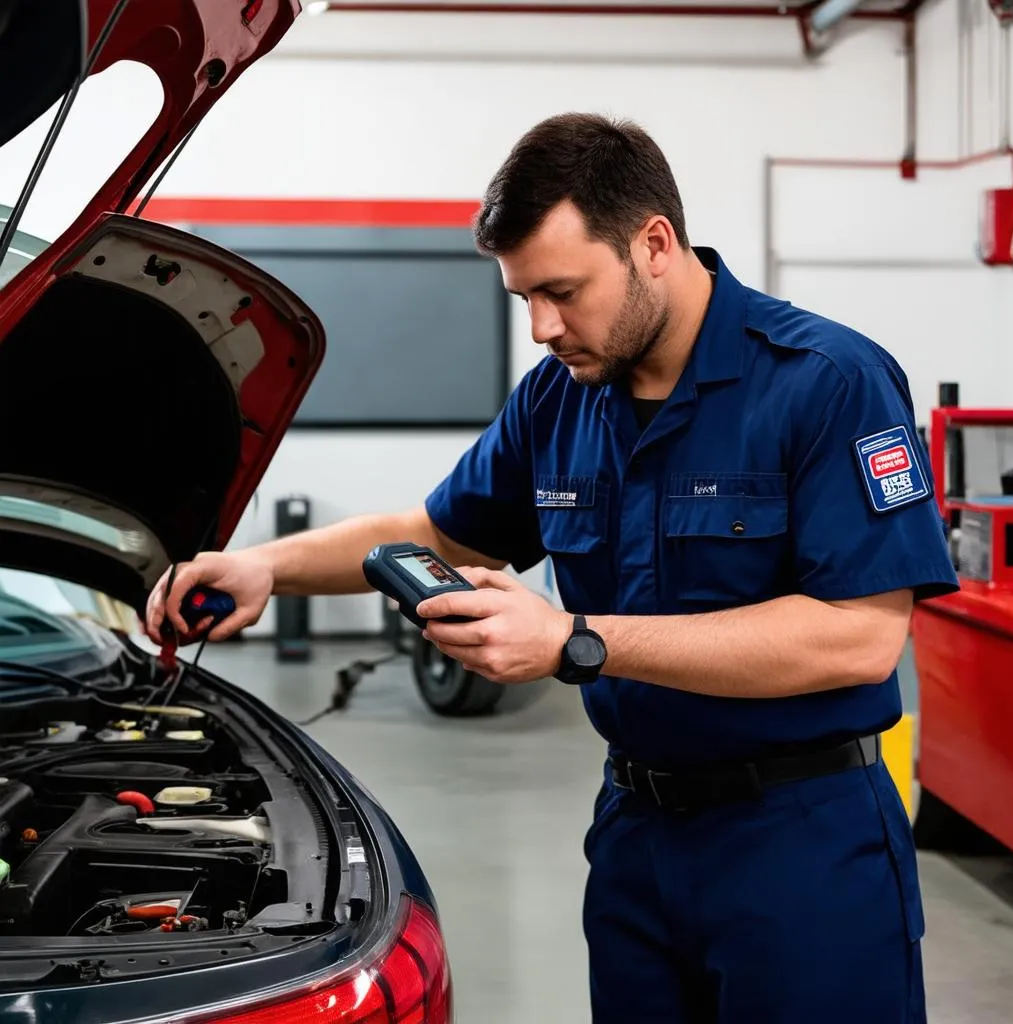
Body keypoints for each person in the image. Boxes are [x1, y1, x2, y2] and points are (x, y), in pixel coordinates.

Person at [146, 112, 959, 1023]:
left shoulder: (826, 381)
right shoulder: (562, 397)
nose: (541, 328)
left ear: (654, 244)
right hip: (636, 837)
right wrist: (263, 567)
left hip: (801, 841)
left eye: (563, 291)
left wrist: (576, 641)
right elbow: (440, 532)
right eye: (523, 297)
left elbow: (858, 638)